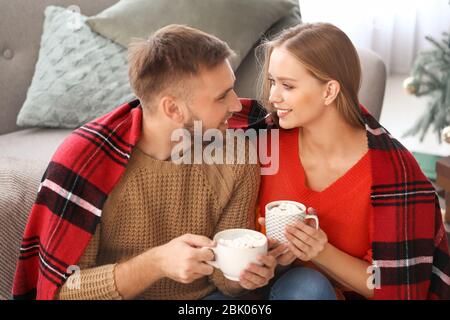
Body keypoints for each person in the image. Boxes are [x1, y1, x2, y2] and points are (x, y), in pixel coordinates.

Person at [12, 25, 278, 300]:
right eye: (222, 96)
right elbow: (66, 290)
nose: (237, 105)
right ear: (172, 109)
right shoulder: (88, 163)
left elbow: (225, 281)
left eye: (231, 89)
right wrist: (156, 263)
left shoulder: (237, 155)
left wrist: (247, 274)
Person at [239, 22, 449, 300]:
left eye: (287, 86)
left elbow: (399, 290)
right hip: (251, 289)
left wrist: (321, 252)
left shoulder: (394, 176)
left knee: (308, 286)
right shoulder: (261, 139)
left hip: (317, 294)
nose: (273, 96)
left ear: (329, 91)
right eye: (272, 82)